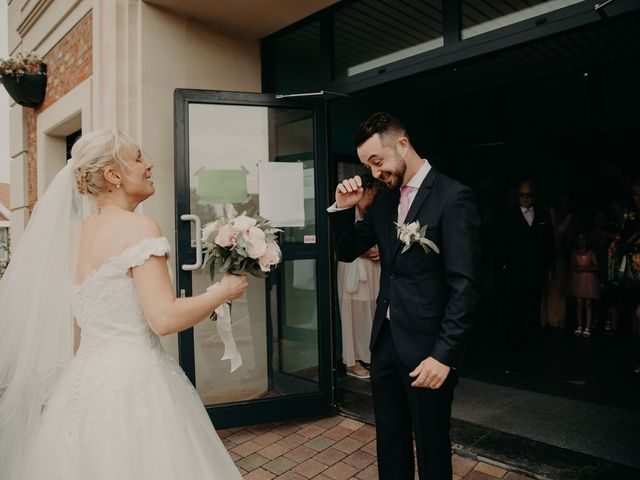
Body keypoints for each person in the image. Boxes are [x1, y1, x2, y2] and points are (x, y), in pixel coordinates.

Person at [0, 129, 248, 479]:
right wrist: (222, 291)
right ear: (113, 175)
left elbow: (77, 325)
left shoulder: (76, 236)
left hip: (83, 383)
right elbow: (162, 318)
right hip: (135, 383)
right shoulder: (139, 227)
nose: (149, 165)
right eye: (138, 158)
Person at [328, 112, 481, 479]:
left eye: (377, 162)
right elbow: (348, 250)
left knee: (431, 449)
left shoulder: (453, 197)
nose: (375, 173)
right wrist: (341, 208)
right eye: (368, 166)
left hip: (428, 351)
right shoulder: (384, 200)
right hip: (385, 345)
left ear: (402, 143)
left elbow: (466, 286)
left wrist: (444, 356)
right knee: (390, 444)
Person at [500, 180, 555, 353]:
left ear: (535, 196)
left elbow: (549, 243)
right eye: (522, 195)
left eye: (528, 195)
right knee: (515, 304)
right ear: (517, 196)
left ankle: (533, 340)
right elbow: (501, 242)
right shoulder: (508, 215)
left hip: (536, 269)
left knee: (534, 304)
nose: (525, 198)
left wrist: (550, 266)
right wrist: (504, 265)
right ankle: (514, 341)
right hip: (515, 269)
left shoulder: (543, 215)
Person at [337, 173, 381, 379]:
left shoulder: (373, 213)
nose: (374, 196)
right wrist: (366, 251)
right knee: (352, 312)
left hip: (373, 268)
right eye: (373, 192)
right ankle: (351, 361)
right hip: (353, 267)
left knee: (371, 309)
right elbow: (342, 242)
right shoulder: (348, 209)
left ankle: (370, 355)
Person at [568, 232, 600, 337]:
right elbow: (572, 267)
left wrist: (585, 268)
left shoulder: (591, 253)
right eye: (579, 240)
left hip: (589, 281)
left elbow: (597, 267)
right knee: (579, 304)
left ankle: (587, 327)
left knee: (588, 304)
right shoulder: (575, 253)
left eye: (583, 240)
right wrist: (577, 268)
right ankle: (579, 326)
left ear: (587, 241)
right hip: (579, 281)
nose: (581, 242)